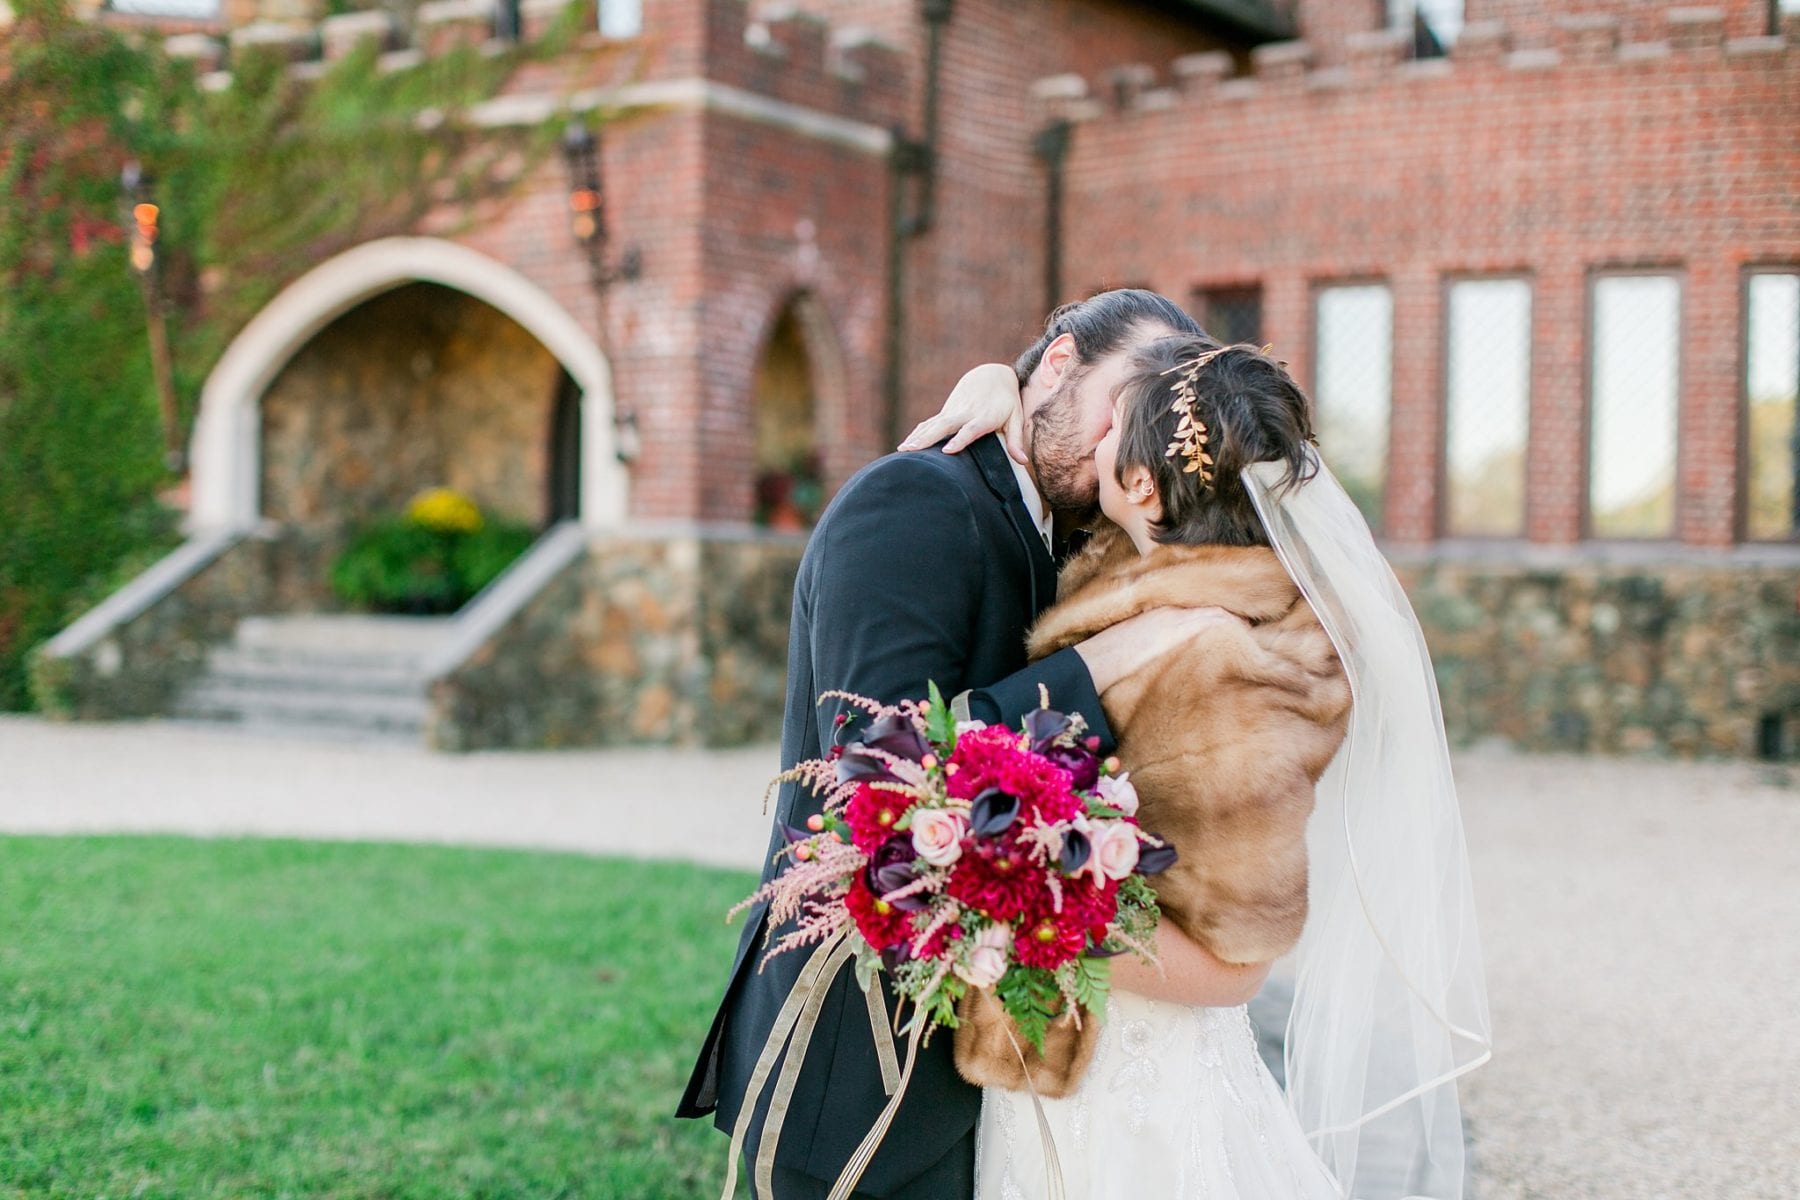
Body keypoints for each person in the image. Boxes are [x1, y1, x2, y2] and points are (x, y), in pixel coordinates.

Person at [676, 290, 1240, 1200]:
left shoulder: (1081, 531)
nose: (1118, 445)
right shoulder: (913, 498)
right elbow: (880, 770)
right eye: (1118, 407)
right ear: (1056, 364)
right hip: (865, 1067)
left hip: (1002, 1063)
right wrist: (1106, 660)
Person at [916, 338, 1492, 1199]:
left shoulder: (1225, 663)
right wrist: (1005, 379)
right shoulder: (1143, 568)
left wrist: (1026, 902)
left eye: (1113, 421)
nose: (1097, 429)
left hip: (1134, 1094)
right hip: (1073, 1064)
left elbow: (1237, 965)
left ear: (1144, 485)